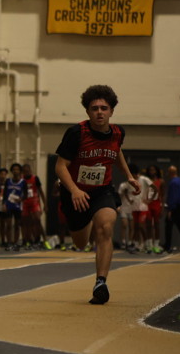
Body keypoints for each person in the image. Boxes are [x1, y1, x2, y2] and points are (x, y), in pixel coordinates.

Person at [55, 85, 138, 305]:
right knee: (80, 243)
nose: (99, 112)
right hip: (75, 193)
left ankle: (101, 282)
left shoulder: (118, 133)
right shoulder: (76, 133)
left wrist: (129, 176)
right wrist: (74, 190)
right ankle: (89, 221)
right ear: (87, 111)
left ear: (111, 111)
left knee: (107, 226)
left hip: (102, 190)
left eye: (104, 108)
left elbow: (117, 151)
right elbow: (60, 166)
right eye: (94, 108)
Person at [3, 163, 26, 250]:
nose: (15, 171)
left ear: (20, 171)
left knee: (17, 225)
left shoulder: (23, 182)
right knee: (8, 224)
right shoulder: (8, 181)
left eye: (17, 169)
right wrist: (4, 204)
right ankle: (9, 242)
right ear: (11, 171)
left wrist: (21, 199)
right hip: (9, 205)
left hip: (18, 206)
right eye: (14, 169)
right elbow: (5, 193)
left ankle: (15, 242)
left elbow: (26, 195)